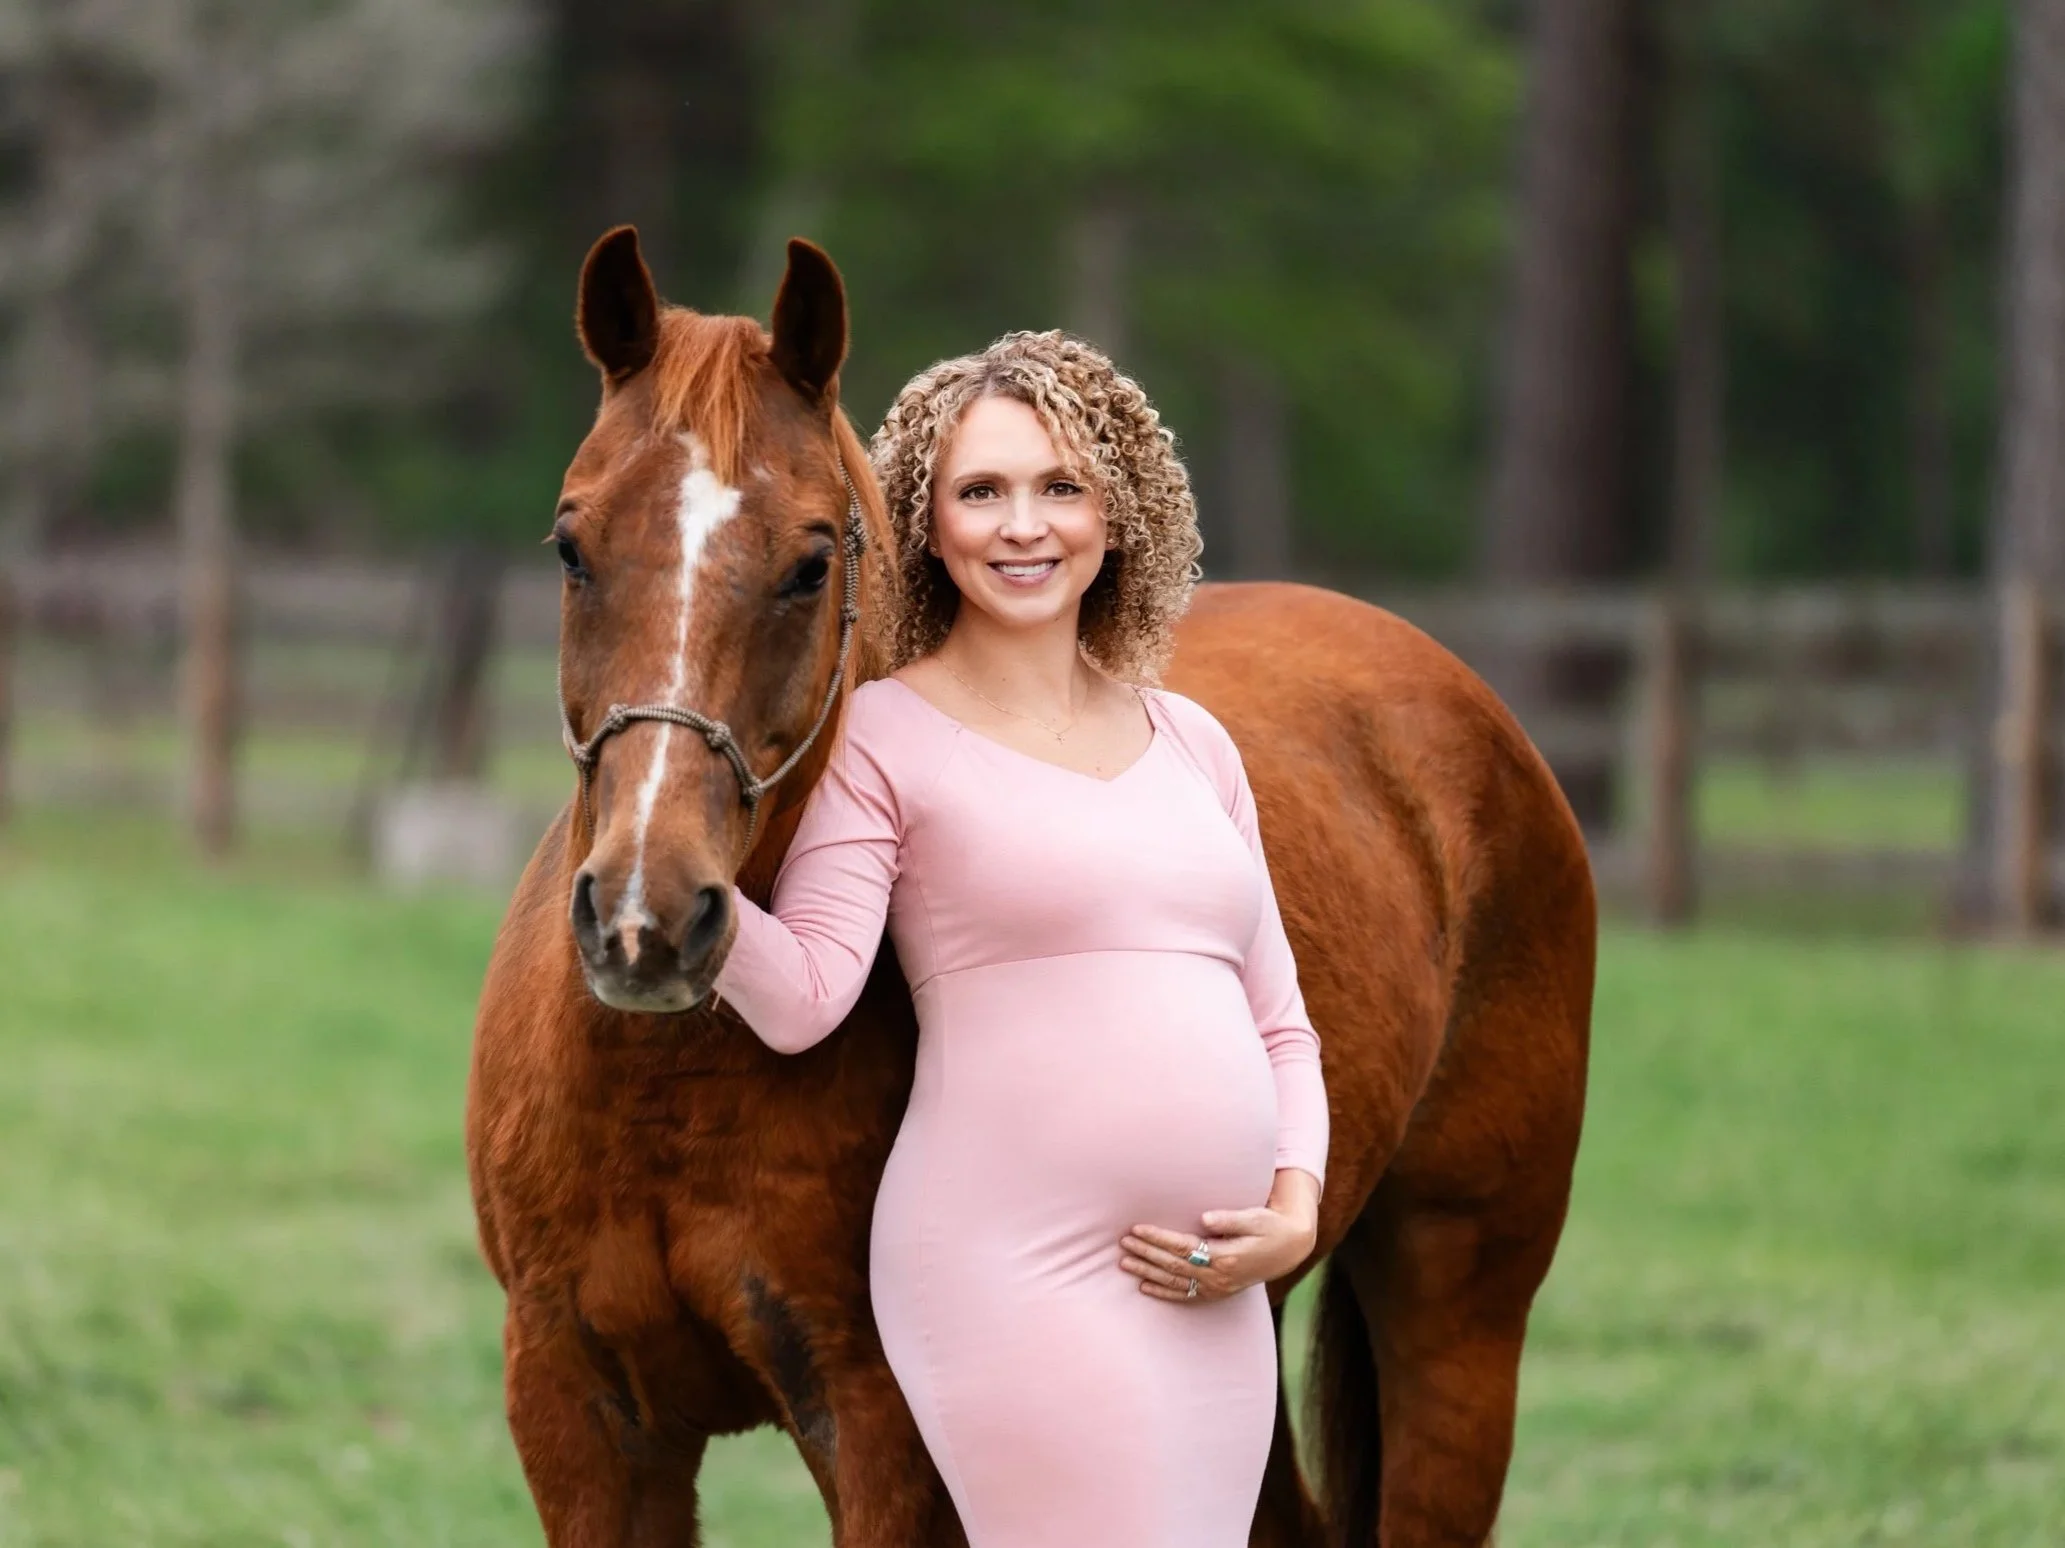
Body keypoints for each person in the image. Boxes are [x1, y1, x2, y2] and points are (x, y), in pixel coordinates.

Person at [712, 330, 1329, 1546]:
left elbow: (1281, 1023)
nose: (1024, 526)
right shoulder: (884, 735)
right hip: (1011, 1270)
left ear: (1118, 512)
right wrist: (686, 893)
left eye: (1060, 487)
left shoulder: (1194, 742)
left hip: (1215, 1291)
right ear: (926, 524)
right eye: (981, 492)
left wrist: (1295, 1210)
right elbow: (807, 995)